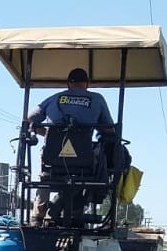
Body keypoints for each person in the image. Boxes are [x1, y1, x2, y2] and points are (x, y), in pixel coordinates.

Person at [26, 67, 115, 225]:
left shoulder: (55, 98)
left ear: (68, 84)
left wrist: (47, 133)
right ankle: (75, 209)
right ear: (87, 84)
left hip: (52, 160)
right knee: (96, 166)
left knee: (45, 174)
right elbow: (109, 130)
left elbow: (30, 119)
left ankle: (37, 215)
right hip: (83, 163)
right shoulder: (97, 99)